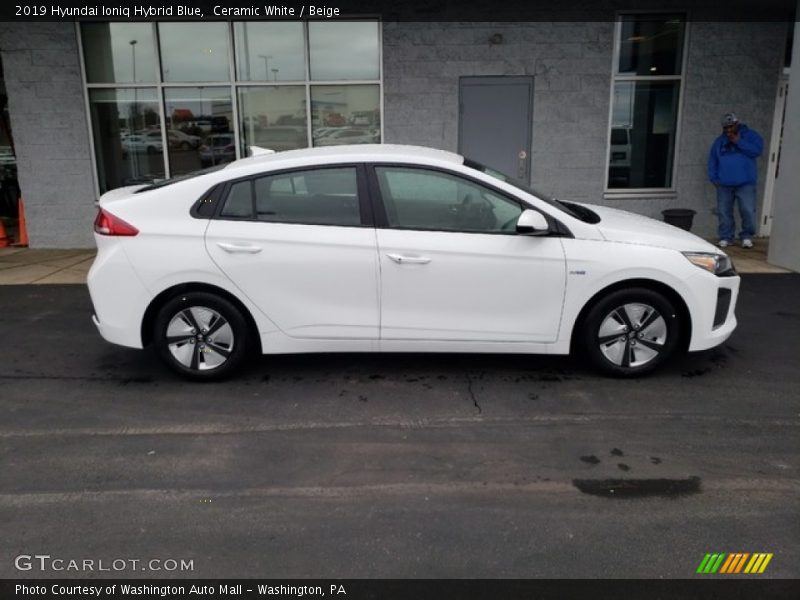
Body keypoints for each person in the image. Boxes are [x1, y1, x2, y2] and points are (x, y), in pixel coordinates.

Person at [707, 112, 764, 249]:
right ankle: (726, 237)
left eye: (731, 127)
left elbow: (756, 151)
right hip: (724, 184)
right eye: (726, 128)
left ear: (737, 124)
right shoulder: (719, 141)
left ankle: (747, 236)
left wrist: (738, 141)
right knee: (724, 211)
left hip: (745, 183)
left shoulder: (751, 136)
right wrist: (714, 178)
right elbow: (712, 160)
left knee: (748, 210)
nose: (728, 130)